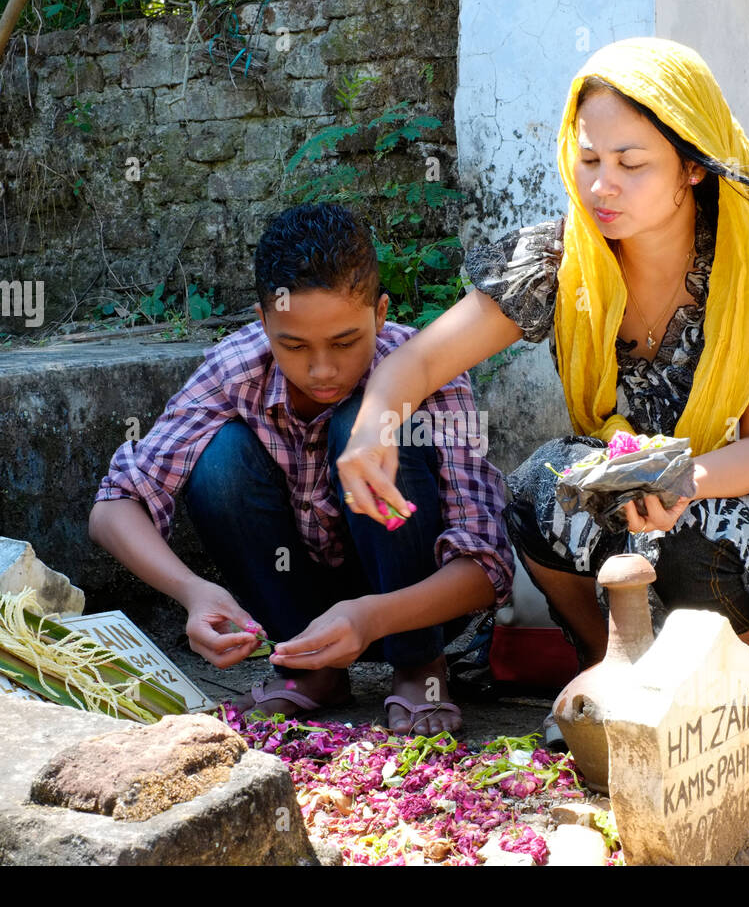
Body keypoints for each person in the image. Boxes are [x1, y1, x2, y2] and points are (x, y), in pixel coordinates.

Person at [317, 37, 749, 771]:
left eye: (632, 165)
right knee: (543, 489)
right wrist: (374, 427)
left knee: (702, 521)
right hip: (629, 475)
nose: (603, 185)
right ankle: (612, 669)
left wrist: (681, 479)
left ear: (691, 168)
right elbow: (420, 359)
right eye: (589, 159)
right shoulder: (565, 259)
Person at [88, 203, 514, 736]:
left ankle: (419, 667)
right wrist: (193, 592)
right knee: (219, 460)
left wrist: (373, 616)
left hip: (413, 605)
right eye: (293, 345)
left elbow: (487, 567)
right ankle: (310, 668)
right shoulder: (235, 368)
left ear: (380, 315)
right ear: (264, 321)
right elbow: (113, 506)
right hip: (303, 602)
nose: (322, 370)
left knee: (362, 423)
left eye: (344, 342)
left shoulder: (428, 367)